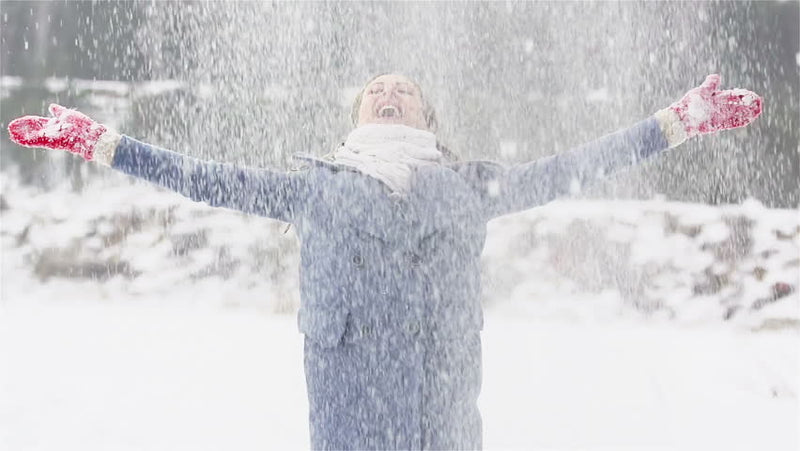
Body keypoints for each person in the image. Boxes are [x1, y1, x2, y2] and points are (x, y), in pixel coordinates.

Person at [8, 73, 762, 450]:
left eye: (403, 91)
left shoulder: (470, 187)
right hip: (347, 430)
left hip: (444, 429)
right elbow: (199, 176)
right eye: (376, 92)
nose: (389, 95)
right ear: (359, 119)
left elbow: (578, 164)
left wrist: (676, 122)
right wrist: (100, 142)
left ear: (428, 119)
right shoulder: (314, 189)